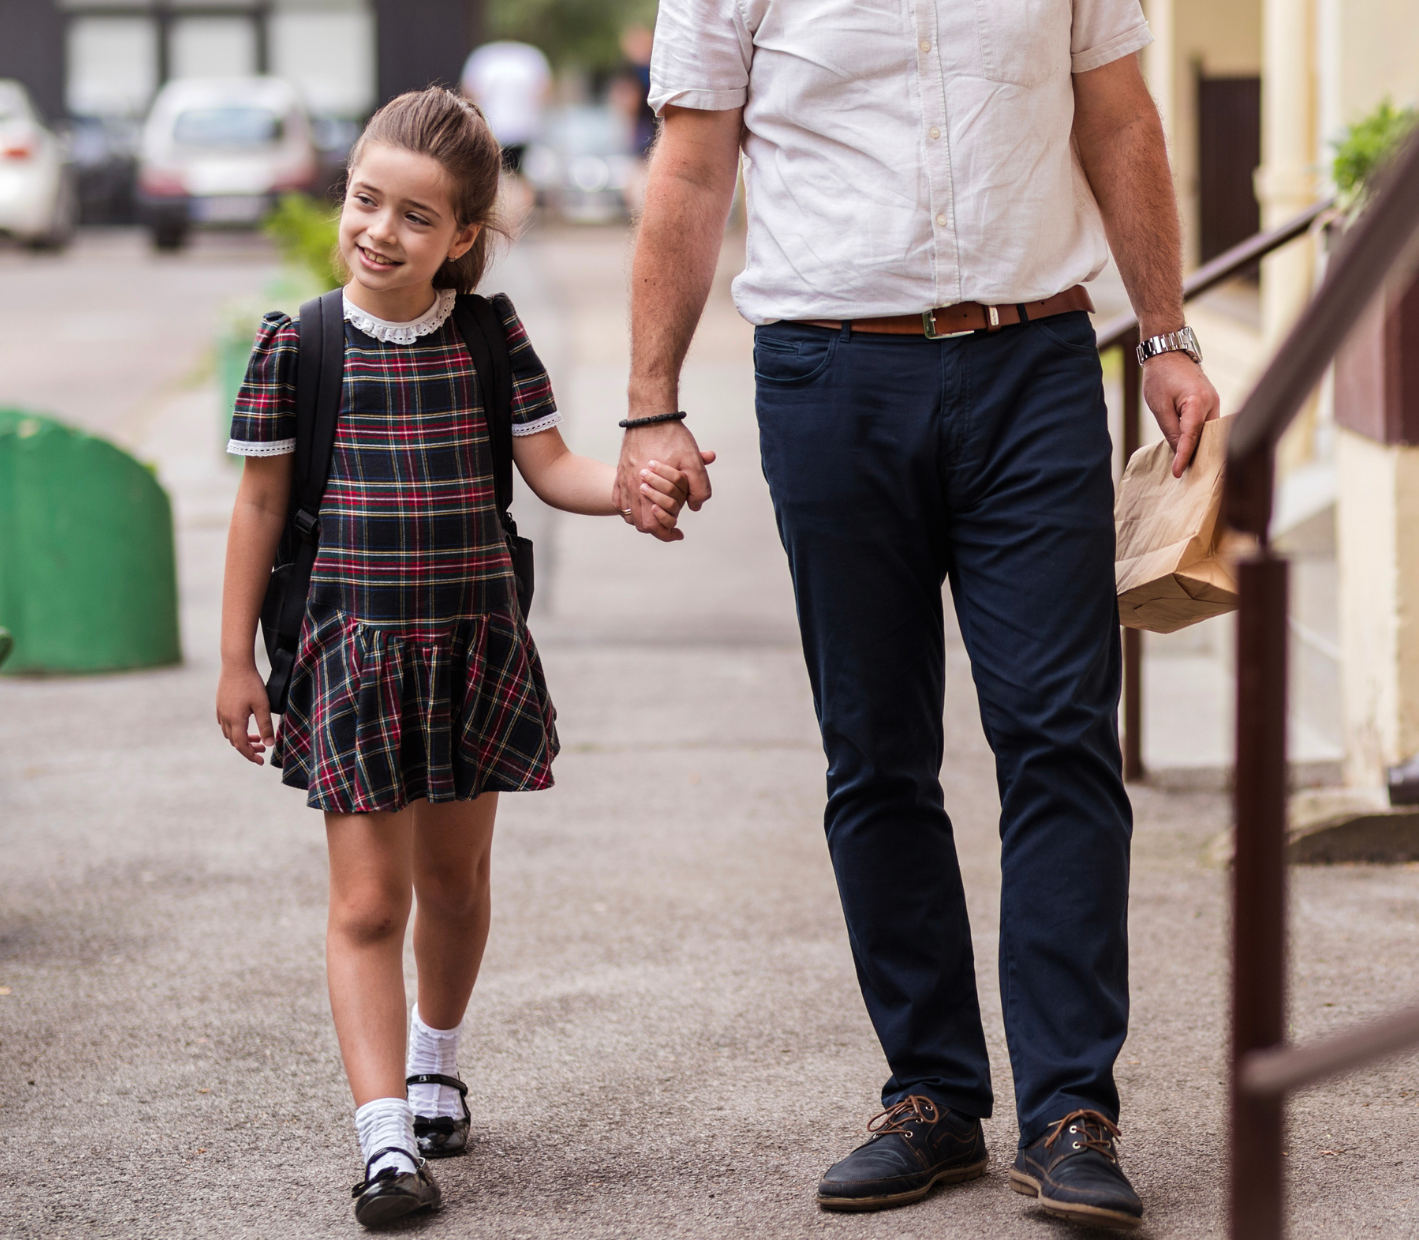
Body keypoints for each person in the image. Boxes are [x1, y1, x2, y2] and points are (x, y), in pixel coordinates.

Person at [618, 2, 1219, 1230]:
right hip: (827, 376)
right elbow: (689, 165)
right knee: (876, 750)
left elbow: (1118, 119)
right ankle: (932, 1094)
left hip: (1033, 365)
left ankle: (1069, 1111)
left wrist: (1163, 333)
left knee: (1059, 736)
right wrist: (649, 403)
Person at [214, 88, 702, 1228]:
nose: (379, 230)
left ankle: (436, 1064)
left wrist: (632, 490)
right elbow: (260, 506)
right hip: (352, 664)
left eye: (416, 216)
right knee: (367, 903)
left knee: (454, 884)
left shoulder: (490, 337)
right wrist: (235, 661)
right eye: (365, 200)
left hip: (471, 651)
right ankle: (385, 1138)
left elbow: (552, 466)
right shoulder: (300, 345)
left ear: (464, 235)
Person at [460, 40, 552, 172]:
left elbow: (468, 92)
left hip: (508, 131)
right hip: (506, 131)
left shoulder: (482, 57)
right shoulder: (532, 57)